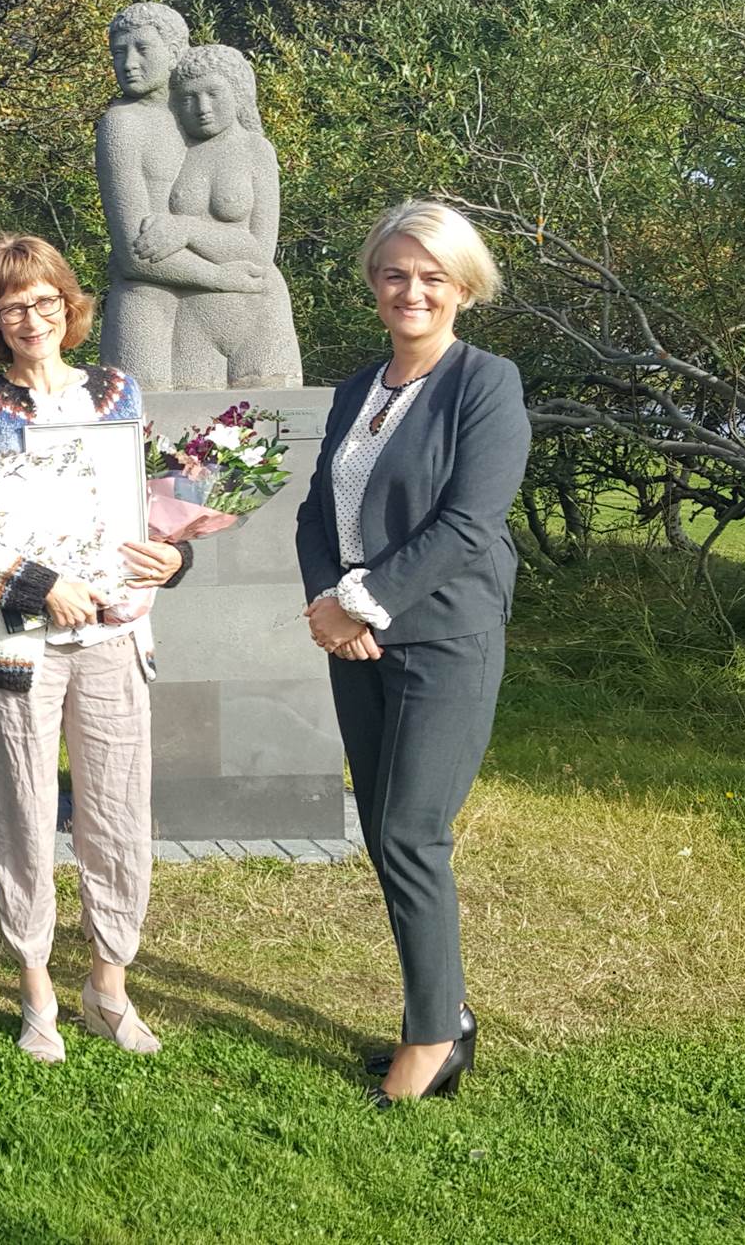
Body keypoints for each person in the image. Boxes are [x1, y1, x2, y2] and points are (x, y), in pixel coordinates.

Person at [0, 235, 192, 1062]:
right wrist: (37, 586)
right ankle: (36, 988)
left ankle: (109, 984)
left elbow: (153, 508)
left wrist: (173, 560)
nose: (31, 319)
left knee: (117, 814)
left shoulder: (118, 391)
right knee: (27, 817)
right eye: (11, 308)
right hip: (22, 647)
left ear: (68, 306)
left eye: (44, 302)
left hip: (114, 637)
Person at [293, 200, 530, 1107]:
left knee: (408, 833)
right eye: (396, 274)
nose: (412, 291)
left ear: (463, 286)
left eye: (432, 276)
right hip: (356, 643)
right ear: (374, 283)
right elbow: (322, 508)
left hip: (443, 638)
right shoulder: (361, 388)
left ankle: (436, 1035)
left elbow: (470, 524)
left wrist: (361, 600)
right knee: (391, 836)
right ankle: (441, 1012)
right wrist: (326, 600)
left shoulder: (485, 382)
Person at [130, 44, 302, 388]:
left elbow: (259, 250)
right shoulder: (181, 154)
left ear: (237, 93)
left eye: (213, 93)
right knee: (186, 429)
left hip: (258, 307)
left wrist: (188, 230)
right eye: (189, 99)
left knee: (269, 426)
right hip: (193, 314)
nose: (202, 108)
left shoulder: (257, 151)